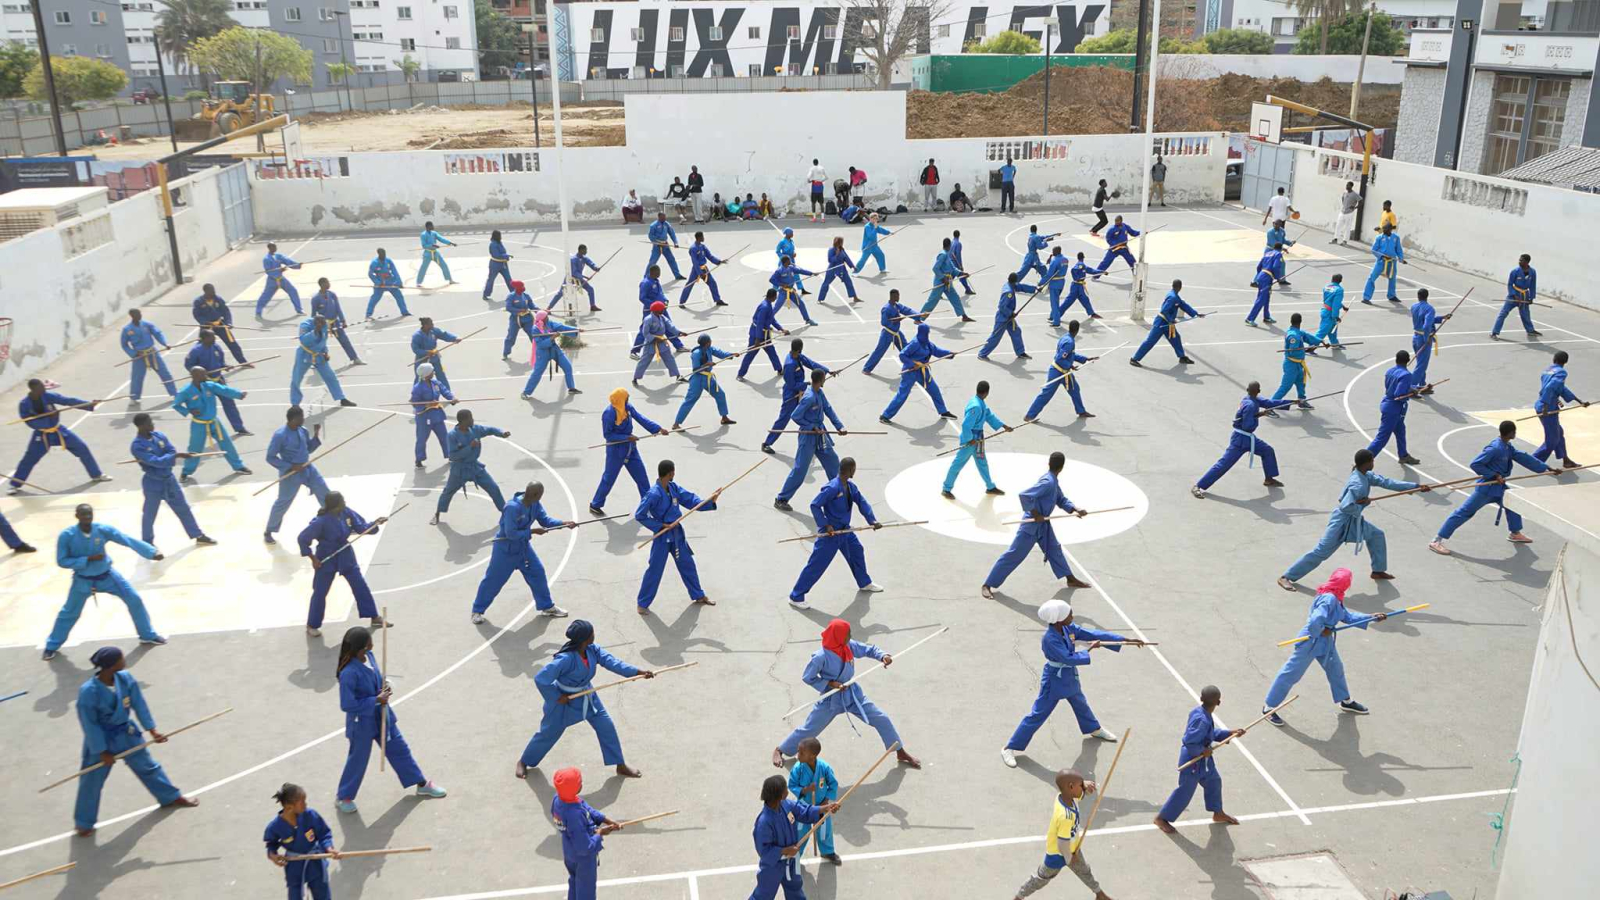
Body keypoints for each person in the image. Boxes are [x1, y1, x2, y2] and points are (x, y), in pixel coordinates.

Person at [72, 646, 197, 835]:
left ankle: (170, 796)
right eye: (121, 659)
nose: (124, 660)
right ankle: (84, 822)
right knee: (91, 780)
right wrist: (102, 751)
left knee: (148, 766)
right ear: (111, 666)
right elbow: (89, 724)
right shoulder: (88, 692)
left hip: (126, 733)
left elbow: (139, 704)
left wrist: (152, 731)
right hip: (101, 739)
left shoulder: (125, 679)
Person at [773, 618, 921, 768]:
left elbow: (868, 649)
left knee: (880, 718)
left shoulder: (848, 646)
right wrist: (830, 683)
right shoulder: (820, 657)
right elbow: (808, 677)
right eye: (847, 633)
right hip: (830, 699)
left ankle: (899, 751)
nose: (850, 635)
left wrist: (882, 656)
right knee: (810, 728)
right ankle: (781, 749)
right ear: (837, 636)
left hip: (852, 695)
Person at [1003, 600, 1134, 767]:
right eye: (1069, 614)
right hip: (1054, 680)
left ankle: (1093, 728)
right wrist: (1088, 650)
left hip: (1068, 676)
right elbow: (1068, 658)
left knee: (1080, 703)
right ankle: (1010, 747)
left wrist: (1121, 640)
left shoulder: (1067, 628)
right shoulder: (1050, 639)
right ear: (1059, 619)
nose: (1072, 616)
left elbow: (1089, 633)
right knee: (1038, 714)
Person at [519, 619, 652, 778]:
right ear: (585, 638)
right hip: (565, 703)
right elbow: (541, 678)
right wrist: (556, 696)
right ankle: (524, 761)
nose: (594, 635)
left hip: (588, 696)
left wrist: (638, 672)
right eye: (592, 633)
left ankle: (620, 764)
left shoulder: (592, 650)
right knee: (549, 733)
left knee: (606, 726)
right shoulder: (565, 659)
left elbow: (612, 662)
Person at [334, 626, 447, 812]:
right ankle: (344, 796)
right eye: (369, 642)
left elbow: (376, 677)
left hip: (382, 715)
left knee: (399, 749)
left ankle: (421, 783)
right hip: (361, 722)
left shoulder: (369, 657)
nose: (373, 644)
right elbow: (347, 704)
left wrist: (384, 686)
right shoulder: (349, 673)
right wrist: (375, 699)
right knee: (358, 759)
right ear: (362, 648)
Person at [1277, 449, 1425, 591]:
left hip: (1353, 521)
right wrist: (1363, 504)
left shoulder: (1365, 474)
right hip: (1341, 522)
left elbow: (1386, 482)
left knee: (1376, 535)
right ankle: (1287, 577)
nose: (1374, 463)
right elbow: (1346, 506)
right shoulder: (1358, 484)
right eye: (1373, 460)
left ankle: (1378, 570)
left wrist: (1415, 487)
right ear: (1367, 463)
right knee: (1321, 551)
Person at [1262, 568, 1385, 724]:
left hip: (1324, 641)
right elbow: (1315, 620)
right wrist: (1322, 630)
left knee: (1336, 669)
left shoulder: (1336, 596)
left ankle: (1345, 700)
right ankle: (1269, 707)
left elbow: (1346, 616)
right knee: (1291, 673)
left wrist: (1371, 617)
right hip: (1311, 641)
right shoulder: (1329, 599)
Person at [46, 505, 165, 660]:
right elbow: (62, 561)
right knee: (69, 612)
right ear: (77, 516)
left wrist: (151, 552)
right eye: (83, 514)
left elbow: (125, 539)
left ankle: (147, 635)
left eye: (89, 514)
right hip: (83, 581)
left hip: (108, 576)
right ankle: (51, 646)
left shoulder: (102, 530)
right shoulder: (67, 535)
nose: (87, 517)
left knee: (134, 599)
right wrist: (87, 560)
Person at [1429, 420, 1558, 555]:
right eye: (1514, 432)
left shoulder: (1507, 446)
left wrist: (1546, 468)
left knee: (1513, 504)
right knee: (1464, 512)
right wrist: (1494, 474)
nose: (1515, 434)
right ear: (1510, 433)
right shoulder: (1495, 448)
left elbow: (1523, 457)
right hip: (1487, 489)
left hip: (1500, 488)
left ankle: (1515, 533)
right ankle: (1437, 540)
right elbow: (1476, 464)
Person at [982, 452, 1091, 598]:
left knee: (1054, 549)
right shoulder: (1048, 482)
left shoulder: (1053, 481)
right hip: (1032, 525)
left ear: (1049, 464)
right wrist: (1035, 514)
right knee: (1014, 554)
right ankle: (987, 584)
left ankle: (1070, 579)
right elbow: (1025, 495)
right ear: (1062, 467)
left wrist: (1074, 509)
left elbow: (1061, 499)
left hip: (1043, 524)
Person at [788, 457, 883, 609]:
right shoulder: (832, 488)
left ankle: (864, 582)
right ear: (850, 470)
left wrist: (872, 521)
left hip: (845, 530)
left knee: (857, 551)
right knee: (817, 565)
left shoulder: (851, 487)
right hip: (831, 534)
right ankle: (796, 596)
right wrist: (826, 525)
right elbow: (815, 505)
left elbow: (862, 502)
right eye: (854, 469)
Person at [472, 481, 573, 624]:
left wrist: (563, 523)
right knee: (493, 580)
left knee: (537, 572)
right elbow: (511, 533)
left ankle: (547, 607)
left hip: (523, 548)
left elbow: (545, 520)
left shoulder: (535, 504)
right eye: (539, 495)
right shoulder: (512, 508)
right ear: (535, 494)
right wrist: (532, 531)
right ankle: (477, 610)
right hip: (505, 551)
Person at [1153, 685, 1245, 833]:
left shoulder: (1199, 712)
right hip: (1193, 761)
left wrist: (1228, 733)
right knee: (1185, 790)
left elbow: (1208, 733)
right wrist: (1202, 750)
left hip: (1204, 760)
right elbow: (1189, 741)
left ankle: (1218, 812)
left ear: (1201, 699)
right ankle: (1161, 818)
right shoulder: (1201, 720)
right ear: (1219, 702)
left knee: (1214, 781)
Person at [1010, 769, 1112, 900]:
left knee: (1084, 871)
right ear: (1071, 787)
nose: (1083, 787)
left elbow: (1077, 792)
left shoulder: (1064, 797)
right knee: (1041, 878)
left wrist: (1084, 786)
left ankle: (1099, 894)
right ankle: (1019, 896)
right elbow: (1062, 842)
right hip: (1058, 855)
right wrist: (1069, 859)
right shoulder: (1065, 816)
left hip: (1073, 848)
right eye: (1080, 785)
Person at [298, 492, 389, 636]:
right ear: (336, 504)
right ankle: (312, 625)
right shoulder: (320, 521)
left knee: (360, 585)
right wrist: (313, 559)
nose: (344, 502)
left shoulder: (346, 512)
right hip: (326, 557)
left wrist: (375, 523)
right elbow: (303, 538)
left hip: (345, 554)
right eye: (342, 501)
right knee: (320, 592)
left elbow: (361, 527)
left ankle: (374, 616)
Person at [635, 459, 719, 612]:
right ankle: (642, 603)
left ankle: (698, 594)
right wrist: (660, 525)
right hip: (662, 536)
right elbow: (640, 515)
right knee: (655, 569)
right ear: (670, 473)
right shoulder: (653, 494)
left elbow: (690, 499)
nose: (674, 474)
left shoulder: (673, 488)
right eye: (673, 471)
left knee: (687, 564)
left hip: (676, 534)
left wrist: (708, 501)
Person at [1191, 382, 1293, 499]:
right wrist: (1260, 414)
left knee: (1267, 451)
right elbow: (1247, 425)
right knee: (1224, 464)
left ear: (1247, 389)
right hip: (1241, 440)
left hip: (1247, 438)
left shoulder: (1251, 399)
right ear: (1258, 391)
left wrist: (1291, 402)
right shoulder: (1250, 405)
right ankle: (1198, 486)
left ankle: (1269, 479)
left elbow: (1269, 403)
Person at [9, 380, 110, 494]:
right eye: (41, 387)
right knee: (29, 459)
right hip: (42, 435)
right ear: (33, 389)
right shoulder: (24, 404)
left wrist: (88, 404)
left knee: (82, 448)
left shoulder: (47, 395)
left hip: (58, 430)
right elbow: (30, 422)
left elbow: (67, 400)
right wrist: (47, 419)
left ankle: (96, 475)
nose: (44, 388)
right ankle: (15, 484)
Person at [750, 773, 839, 900]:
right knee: (764, 894)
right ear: (780, 795)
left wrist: (825, 809)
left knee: (795, 889)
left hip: (790, 862)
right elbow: (764, 850)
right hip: (773, 866)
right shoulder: (764, 822)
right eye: (785, 789)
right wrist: (784, 851)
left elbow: (804, 811)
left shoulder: (786, 805)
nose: (787, 791)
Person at [131, 413, 213, 546]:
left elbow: (170, 449)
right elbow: (154, 461)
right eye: (149, 422)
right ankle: (147, 542)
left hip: (169, 480)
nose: (152, 424)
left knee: (183, 508)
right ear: (140, 426)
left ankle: (197, 534)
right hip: (153, 482)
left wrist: (172, 455)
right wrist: (175, 456)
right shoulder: (137, 446)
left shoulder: (159, 436)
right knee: (149, 514)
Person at [775, 370, 846, 510]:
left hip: (821, 434)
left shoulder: (819, 392)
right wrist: (811, 426)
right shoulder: (809, 397)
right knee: (800, 470)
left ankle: (839, 493)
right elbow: (795, 416)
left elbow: (828, 409)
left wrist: (839, 426)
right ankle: (781, 499)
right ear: (820, 380)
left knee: (833, 461)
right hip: (808, 437)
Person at [588, 388, 663, 515]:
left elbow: (640, 418)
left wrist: (658, 429)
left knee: (642, 478)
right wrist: (626, 437)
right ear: (620, 399)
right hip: (616, 451)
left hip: (630, 448)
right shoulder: (609, 414)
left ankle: (648, 504)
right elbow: (608, 435)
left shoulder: (627, 407)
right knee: (609, 478)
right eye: (626, 398)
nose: (628, 400)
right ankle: (596, 504)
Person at [550, 767, 620, 900]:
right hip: (583, 859)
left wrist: (605, 819)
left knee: (575, 881)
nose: (582, 783)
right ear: (574, 788)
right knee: (586, 890)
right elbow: (585, 847)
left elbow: (585, 808)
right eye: (579, 782)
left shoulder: (559, 799)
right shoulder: (574, 815)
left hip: (569, 852)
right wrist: (599, 833)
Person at [172, 364, 251, 481]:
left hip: (214, 422)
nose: (206, 375)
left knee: (227, 444)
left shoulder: (209, 386)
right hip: (199, 424)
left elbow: (224, 389)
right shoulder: (185, 391)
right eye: (203, 374)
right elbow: (176, 405)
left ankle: (239, 466)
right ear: (195, 376)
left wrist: (238, 394)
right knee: (195, 449)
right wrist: (189, 410)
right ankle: (186, 472)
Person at [432, 410, 509, 525]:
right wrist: (469, 447)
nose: (472, 420)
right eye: (470, 418)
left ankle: (506, 513)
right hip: (459, 470)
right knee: (448, 491)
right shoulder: (452, 435)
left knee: (493, 488)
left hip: (475, 467)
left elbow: (489, 430)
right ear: (463, 421)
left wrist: (501, 433)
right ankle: (437, 513)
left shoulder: (475, 429)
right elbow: (453, 456)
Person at [264, 406, 327, 544]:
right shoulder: (280, 435)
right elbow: (270, 457)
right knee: (283, 502)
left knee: (325, 493)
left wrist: (316, 436)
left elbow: (308, 449)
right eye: (301, 418)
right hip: (291, 473)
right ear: (293, 419)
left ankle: (337, 521)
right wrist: (290, 467)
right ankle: (269, 530)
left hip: (307, 468)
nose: (303, 420)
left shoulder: (302, 431)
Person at [264, 783, 336, 900]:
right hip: (294, 867)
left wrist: (329, 848)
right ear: (289, 808)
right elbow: (271, 844)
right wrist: (273, 855)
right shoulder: (275, 827)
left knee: (323, 895)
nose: (306, 804)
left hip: (315, 862)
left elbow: (324, 834)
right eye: (302, 802)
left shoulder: (310, 815)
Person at [761, 339, 829, 453]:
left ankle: (816, 443)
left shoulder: (798, 356)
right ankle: (767, 443)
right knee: (784, 418)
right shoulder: (790, 364)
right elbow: (791, 384)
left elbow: (811, 363)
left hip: (800, 393)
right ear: (799, 349)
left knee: (810, 416)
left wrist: (827, 371)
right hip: (791, 394)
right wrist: (806, 385)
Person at [944, 381, 1011, 498]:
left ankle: (990, 486)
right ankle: (946, 488)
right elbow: (966, 425)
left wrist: (1003, 426)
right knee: (958, 463)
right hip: (971, 439)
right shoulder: (976, 406)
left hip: (978, 438)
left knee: (982, 462)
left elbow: (989, 415)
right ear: (987, 393)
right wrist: (969, 439)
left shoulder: (980, 403)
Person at [881, 322, 957, 423]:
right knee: (902, 395)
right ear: (921, 332)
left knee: (934, 390)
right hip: (910, 372)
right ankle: (885, 416)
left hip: (922, 371)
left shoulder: (927, 343)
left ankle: (943, 411)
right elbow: (902, 355)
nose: (926, 335)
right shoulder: (915, 343)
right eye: (925, 333)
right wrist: (913, 364)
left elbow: (936, 351)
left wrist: (949, 354)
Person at [1025, 321, 1094, 422]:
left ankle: (1081, 411)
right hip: (1057, 372)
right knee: (1046, 394)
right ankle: (1029, 416)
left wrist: (1085, 359)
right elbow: (1059, 359)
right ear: (1077, 330)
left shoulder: (1065, 337)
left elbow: (1071, 355)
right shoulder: (1069, 343)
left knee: (1074, 390)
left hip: (1065, 372)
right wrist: (1070, 365)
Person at [788, 738, 842, 865]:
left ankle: (827, 851)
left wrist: (826, 801)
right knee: (801, 832)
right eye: (798, 751)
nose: (798, 755)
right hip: (803, 808)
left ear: (813, 755)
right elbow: (792, 785)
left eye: (801, 753)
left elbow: (833, 784)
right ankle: (795, 856)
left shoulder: (824, 768)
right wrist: (805, 789)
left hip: (821, 806)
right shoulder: (798, 769)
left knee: (824, 830)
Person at [1533, 351, 1587, 466]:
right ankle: (1533, 461)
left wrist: (1579, 401)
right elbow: (1549, 389)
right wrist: (1546, 408)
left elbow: (1561, 388)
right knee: (1552, 439)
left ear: (1554, 359)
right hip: (1548, 408)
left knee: (1559, 433)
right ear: (1565, 362)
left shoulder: (1547, 371)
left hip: (1543, 405)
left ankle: (1566, 460)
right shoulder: (1561, 372)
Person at [1367, 350, 1421, 464]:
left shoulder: (1390, 371)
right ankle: (1363, 461)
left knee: (1401, 430)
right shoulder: (1406, 375)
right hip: (1394, 408)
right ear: (1408, 361)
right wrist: (1412, 394)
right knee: (1382, 438)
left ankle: (1403, 455)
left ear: (1396, 359)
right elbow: (1399, 395)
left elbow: (1394, 386)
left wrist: (1413, 389)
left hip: (1387, 402)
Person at [1129, 280, 1199, 367]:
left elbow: (1183, 305)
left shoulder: (1175, 296)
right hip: (1161, 323)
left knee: (1175, 338)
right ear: (1180, 287)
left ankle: (1182, 357)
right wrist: (1170, 320)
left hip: (1168, 325)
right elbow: (1164, 311)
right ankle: (1134, 359)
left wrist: (1196, 314)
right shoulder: (1172, 297)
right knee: (1150, 341)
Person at [290, 316, 355, 408]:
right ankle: (295, 403)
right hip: (305, 354)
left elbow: (324, 340)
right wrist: (315, 331)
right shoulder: (305, 325)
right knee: (296, 378)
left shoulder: (324, 325)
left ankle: (341, 398)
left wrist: (325, 352)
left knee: (331, 376)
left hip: (319, 354)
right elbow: (303, 340)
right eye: (322, 324)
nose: (324, 326)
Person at [674, 334, 736, 428]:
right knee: (690, 400)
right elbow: (695, 369)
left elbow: (720, 353)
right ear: (707, 343)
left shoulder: (709, 349)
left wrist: (731, 355)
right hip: (698, 380)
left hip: (708, 378)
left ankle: (724, 417)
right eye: (710, 341)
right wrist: (707, 364)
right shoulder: (696, 353)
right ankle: (676, 424)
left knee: (720, 395)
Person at [119, 309, 175, 405]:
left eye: (140, 313)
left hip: (152, 353)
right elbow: (124, 344)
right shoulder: (127, 329)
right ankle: (134, 397)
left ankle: (174, 393)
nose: (140, 315)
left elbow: (158, 334)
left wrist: (165, 344)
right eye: (137, 314)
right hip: (139, 355)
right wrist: (133, 353)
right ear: (132, 315)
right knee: (137, 377)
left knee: (165, 372)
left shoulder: (147, 324)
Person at [525, 309, 581, 399]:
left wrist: (576, 330)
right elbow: (541, 344)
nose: (547, 317)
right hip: (543, 353)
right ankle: (526, 392)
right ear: (542, 319)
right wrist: (552, 338)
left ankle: (571, 388)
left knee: (568, 367)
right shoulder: (535, 329)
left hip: (554, 350)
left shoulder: (549, 324)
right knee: (537, 373)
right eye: (546, 317)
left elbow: (562, 327)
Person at [862, 289, 920, 375]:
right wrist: (896, 321)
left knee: (905, 348)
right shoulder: (886, 308)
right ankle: (867, 368)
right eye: (897, 296)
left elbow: (907, 310)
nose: (899, 297)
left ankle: (911, 365)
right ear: (892, 296)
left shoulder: (897, 306)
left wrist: (918, 315)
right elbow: (884, 322)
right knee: (879, 351)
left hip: (897, 332)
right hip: (887, 333)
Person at [979, 273, 1035, 361]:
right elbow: (1002, 306)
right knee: (995, 337)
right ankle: (982, 353)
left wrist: (1035, 289)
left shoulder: (1009, 284)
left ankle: (1020, 352)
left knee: (1016, 332)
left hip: (1009, 318)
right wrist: (1010, 313)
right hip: (1003, 318)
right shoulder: (1008, 292)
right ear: (1015, 281)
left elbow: (1021, 287)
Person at [410, 362, 455, 467]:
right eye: (432, 371)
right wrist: (426, 404)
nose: (434, 372)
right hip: (424, 417)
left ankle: (450, 455)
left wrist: (452, 398)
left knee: (444, 436)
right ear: (426, 374)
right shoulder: (418, 388)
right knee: (422, 439)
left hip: (437, 415)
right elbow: (414, 402)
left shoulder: (436, 383)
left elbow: (445, 391)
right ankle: (419, 459)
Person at [737, 290, 789, 381]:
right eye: (775, 296)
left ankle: (779, 369)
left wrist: (781, 329)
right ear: (772, 297)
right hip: (757, 335)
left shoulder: (768, 305)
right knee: (750, 354)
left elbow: (772, 319)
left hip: (765, 334)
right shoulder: (765, 307)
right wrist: (758, 339)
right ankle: (740, 374)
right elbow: (760, 324)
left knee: (772, 352)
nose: (776, 298)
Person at [310, 278, 363, 365]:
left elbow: (338, 308)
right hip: (323, 324)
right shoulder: (315, 299)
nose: (329, 284)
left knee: (344, 340)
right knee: (320, 343)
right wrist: (314, 326)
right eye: (327, 282)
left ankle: (355, 358)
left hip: (335, 322)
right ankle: (316, 362)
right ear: (322, 284)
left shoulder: (332, 294)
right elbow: (313, 314)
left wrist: (343, 320)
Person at [192, 282, 247, 364]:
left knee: (232, 343)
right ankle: (196, 366)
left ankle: (243, 362)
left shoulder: (218, 299)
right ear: (205, 292)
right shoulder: (198, 301)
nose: (213, 293)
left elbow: (226, 311)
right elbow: (197, 315)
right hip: (207, 327)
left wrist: (229, 323)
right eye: (211, 292)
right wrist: (204, 322)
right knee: (201, 346)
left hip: (220, 324)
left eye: (214, 291)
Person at [1271, 313, 1317, 407]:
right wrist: (1308, 349)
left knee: (1301, 383)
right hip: (1291, 365)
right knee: (1285, 387)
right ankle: (1270, 405)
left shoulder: (1297, 332)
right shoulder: (1294, 336)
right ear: (1300, 322)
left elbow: (1309, 337)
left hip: (1298, 364)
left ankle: (1301, 401)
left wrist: (1322, 342)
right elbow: (1293, 351)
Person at [1492, 253, 1542, 340]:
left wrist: (1531, 298)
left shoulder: (1532, 272)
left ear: (1527, 262)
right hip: (1513, 295)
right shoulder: (1515, 271)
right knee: (1503, 313)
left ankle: (1530, 330)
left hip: (1524, 295)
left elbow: (1533, 285)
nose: (1519, 261)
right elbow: (1510, 284)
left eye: (1521, 260)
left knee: (1525, 314)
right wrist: (1514, 295)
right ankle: (1494, 332)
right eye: (1519, 260)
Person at [633, 301, 684, 385]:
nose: (663, 310)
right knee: (644, 361)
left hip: (662, 342)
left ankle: (677, 375)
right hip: (650, 344)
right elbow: (645, 333)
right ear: (656, 311)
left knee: (669, 359)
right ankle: (636, 378)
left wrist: (678, 333)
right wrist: (654, 339)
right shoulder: (648, 319)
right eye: (662, 309)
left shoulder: (662, 317)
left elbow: (670, 325)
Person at [925, 237, 974, 321]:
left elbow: (952, 268)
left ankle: (964, 316)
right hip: (940, 282)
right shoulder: (943, 255)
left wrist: (961, 273)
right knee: (932, 301)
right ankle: (920, 318)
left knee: (955, 298)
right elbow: (935, 268)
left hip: (948, 282)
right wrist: (943, 278)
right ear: (949, 246)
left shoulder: (947, 255)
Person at [411, 317, 461, 392]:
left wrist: (455, 338)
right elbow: (415, 349)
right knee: (420, 377)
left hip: (434, 357)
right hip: (422, 359)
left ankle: (448, 393)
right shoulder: (417, 336)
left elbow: (444, 335)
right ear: (425, 325)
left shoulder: (434, 331)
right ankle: (415, 394)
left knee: (441, 375)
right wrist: (427, 352)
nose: (432, 325)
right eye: (430, 323)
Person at [255, 242, 304, 316]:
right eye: (273, 247)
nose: (275, 248)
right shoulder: (266, 259)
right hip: (272, 280)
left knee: (293, 291)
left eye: (275, 246)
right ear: (270, 248)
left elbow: (288, 261)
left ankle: (299, 310)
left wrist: (297, 265)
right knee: (266, 296)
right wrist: (279, 270)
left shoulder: (278, 256)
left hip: (281, 279)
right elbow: (268, 271)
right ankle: (258, 311)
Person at [1362, 222, 1405, 304]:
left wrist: (1401, 258)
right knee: (1372, 278)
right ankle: (1366, 297)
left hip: (1392, 262)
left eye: (1386, 229)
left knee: (1392, 279)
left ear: (1391, 229)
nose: (1384, 231)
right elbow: (1374, 250)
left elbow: (1398, 250)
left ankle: (1391, 295)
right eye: (1384, 229)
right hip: (1381, 261)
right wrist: (1382, 256)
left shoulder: (1396, 238)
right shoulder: (1379, 237)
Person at [680, 232, 726, 307]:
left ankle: (717, 300)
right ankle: (681, 302)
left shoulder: (702, 246)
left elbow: (710, 256)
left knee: (712, 283)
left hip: (704, 268)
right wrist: (700, 273)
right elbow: (695, 262)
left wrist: (719, 261)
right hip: (696, 270)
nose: (703, 238)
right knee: (689, 284)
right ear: (699, 238)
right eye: (702, 237)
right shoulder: (693, 248)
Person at [550, 244, 601, 312]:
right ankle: (549, 308)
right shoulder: (573, 259)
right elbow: (574, 272)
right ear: (581, 250)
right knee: (560, 293)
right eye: (585, 250)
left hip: (579, 279)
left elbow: (590, 263)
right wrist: (585, 277)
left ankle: (593, 306)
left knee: (590, 289)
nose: (586, 251)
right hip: (570, 279)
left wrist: (595, 268)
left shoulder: (584, 258)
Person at [770, 253, 818, 326]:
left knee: (801, 304)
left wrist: (811, 273)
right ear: (785, 262)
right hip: (783, 291)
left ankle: (807, 319)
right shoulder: (779, 271)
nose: (790, 261)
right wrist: (781, 284)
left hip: (792, 291)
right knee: (777, 307)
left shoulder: (791, 268)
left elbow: (801, 271)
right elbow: (771, 280)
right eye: (789, 260)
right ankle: (767, 320)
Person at [365, 247, 410, 319]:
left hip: (390, 282)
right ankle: (368, 314)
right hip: (381, 284)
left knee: (399, 296)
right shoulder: (374, 263)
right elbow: (370, 274)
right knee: (374, 299)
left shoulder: (388, 261)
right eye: (382, 254)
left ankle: (404, 312)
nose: (383, 256)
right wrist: (377, 282)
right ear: (379, 254)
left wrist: (399, 282)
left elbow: (394, 271)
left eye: (384, 254)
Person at [1061, 251, 1102, 322]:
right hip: (1076, 286)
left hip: (1080, 286)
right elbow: (1073, 270)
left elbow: (1092, 271)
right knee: (1067, 302)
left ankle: (1091, 313)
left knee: (1085, 300)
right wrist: (1077, 278)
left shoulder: (1083, 266)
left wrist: (1102, 271)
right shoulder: (1080, 265)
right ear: (1083, 258)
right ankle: (1056, 315)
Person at [816, 236, 858, 304]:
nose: (842, 243)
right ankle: (820, 298)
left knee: (849, 282)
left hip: (842, 269)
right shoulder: (831, 250)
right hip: (832, 269)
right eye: (841, 242)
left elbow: (846, 258)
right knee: (826, 283)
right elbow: (830, 260)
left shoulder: (842, 249)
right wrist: (837, 255)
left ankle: (854, 297)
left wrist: (852, 266)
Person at [416, 220, 456, 287]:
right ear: (428, 227)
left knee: (444, 265)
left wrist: (450, 243)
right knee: (423, 268)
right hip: (427, 254)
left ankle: (450, 280)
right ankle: (418, 282)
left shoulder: (434, 233)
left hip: (435, 253)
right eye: (431, 225)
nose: (433, 226)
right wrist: (432, 245)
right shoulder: (423, 235)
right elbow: (424, 245)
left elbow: (441, 239)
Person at [502, 280, 536, 358]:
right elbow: (508, 307)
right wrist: (520, 310)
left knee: (533, 335)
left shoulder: (526, 295)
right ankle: (506, 353)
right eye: (521, 287)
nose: (523, 288)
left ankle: (538, 352)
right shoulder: (511, 296)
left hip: (527, 319)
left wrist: (541, 311)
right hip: (515, 319)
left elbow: (533, 307)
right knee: (511, 336)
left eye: (523, 286)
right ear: (516, 288)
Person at [1313, 273, 1346, 348]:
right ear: (1340, 280)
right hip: (1330, 313)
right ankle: (1312, 346)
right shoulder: (1339, 290)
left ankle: (1335, 344)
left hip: (1325, 309)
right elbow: (1335, 304)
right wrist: (1335, 316)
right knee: (1322, 331)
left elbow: (1330, 300)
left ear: (1332, 279)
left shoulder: (1326, 287)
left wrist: (1343, 306)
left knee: (1332, 329)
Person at [1246, 256, 1278, 329]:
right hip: (1266, 277)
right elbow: (1276, 266)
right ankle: (1250, 318)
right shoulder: (1278, 254)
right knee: (1261, 299)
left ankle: (1266, 317)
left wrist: (1259, 275)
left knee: (1266, 297)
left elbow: (1258, 267)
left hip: (1262, 275)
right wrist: (1278, 277)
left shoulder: (1267, 254)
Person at [484, 229, 513, 301]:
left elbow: (503, 252)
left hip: (503, 264)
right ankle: (486, 294)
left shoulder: (499, 242)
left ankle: (514, 293)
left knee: (509, 279)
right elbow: (496, 255)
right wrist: (506, 256)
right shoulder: (493, 244)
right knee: (491, 279)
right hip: (495, 264)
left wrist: (506, 256)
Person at [1330, 181, 1359, 245]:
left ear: (1351, 186)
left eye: (1348, 185)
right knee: (1338, 225)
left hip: (1349, 213)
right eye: (1346, 185)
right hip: (1342, 212)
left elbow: (1361, 201)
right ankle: (1335, 239)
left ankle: (1344, 241)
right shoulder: (1345, 193)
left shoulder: (1355, 194)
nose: (1346, 187)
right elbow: (1342, 198)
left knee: (1347, 227)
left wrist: (1355, 207)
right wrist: (1344, 205)